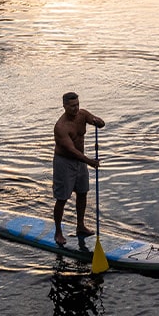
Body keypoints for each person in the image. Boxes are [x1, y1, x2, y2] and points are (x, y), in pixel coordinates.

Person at [52, 92, 104, 246]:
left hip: (80, 161)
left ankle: (80, 226)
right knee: (62, 198)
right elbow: (71, 150)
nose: (76, 108)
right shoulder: (60, 127)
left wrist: (98, 122)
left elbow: (100, 123)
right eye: (72, 106)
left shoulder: (82, 115)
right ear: (64, 106)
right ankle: (58, 232)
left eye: (77, 105)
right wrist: (89, 161)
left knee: (82, 192)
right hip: (65, 162)